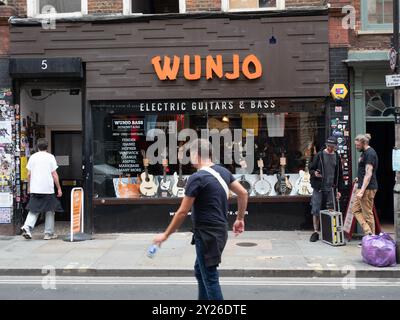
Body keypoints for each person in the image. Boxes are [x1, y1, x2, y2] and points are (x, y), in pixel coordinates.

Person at [153, 139, 248, 300]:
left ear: (197, 155)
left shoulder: (197, 178)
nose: (189, 158)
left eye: (190, 154)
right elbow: (243, 193)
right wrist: (239, 218)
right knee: (200, 270)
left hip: (206, 235)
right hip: (220, 232)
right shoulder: (223, 172)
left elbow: (182, 212)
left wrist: (165, 235)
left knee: (210, 277)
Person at [20, 138, 63, 240]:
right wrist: (59, 188)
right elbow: (54, 174)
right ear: (47, 147)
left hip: (35, 188)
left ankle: (27, 226)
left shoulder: (33, 157)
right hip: (47, 189)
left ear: (37, 147)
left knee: (34, 209)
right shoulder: (50, 157)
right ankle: (48, 233)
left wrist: (29, 187)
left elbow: (29, 174)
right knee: (50, 210)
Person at [308, 136, 344, 242]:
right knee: (315, 209)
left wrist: (339, 190)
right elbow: (311, 168)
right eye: (328, 146)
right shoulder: (319, 155)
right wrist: (314, 173)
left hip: (331, 187)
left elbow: (340, 174)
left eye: (332, 147)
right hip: (319, 187)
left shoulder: (337, 156)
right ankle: (315, 232)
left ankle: (330, 231)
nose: (330, 148)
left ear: (335, 147)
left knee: (331, 209)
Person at [352, 134, 378, 240]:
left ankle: (372, 240)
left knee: (367, 214)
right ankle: (368, 232)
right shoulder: (364, 153)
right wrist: (359, 178)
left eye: (358, 145)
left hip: (367, 189)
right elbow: (364, 171)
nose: (356, 147)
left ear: (364, 143)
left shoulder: (370, 154)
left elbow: (369, 173)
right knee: (355, 209)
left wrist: (362, 191)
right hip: (363, 187)